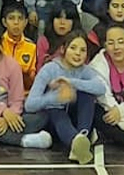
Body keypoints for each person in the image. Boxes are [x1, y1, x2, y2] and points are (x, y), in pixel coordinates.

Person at [24, 30, 107, 163]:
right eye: (73, 48)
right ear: (63, 49)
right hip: (53, 120)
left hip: (76, 120)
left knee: (87, 94)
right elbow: (30, 104)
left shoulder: (85, 70)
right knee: (57, 112)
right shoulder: (50, 69)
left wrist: (71, 82)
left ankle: (81, 138)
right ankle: (76, 142)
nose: (78, 54)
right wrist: (55, 97)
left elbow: (101, 88)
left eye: (82, 50)